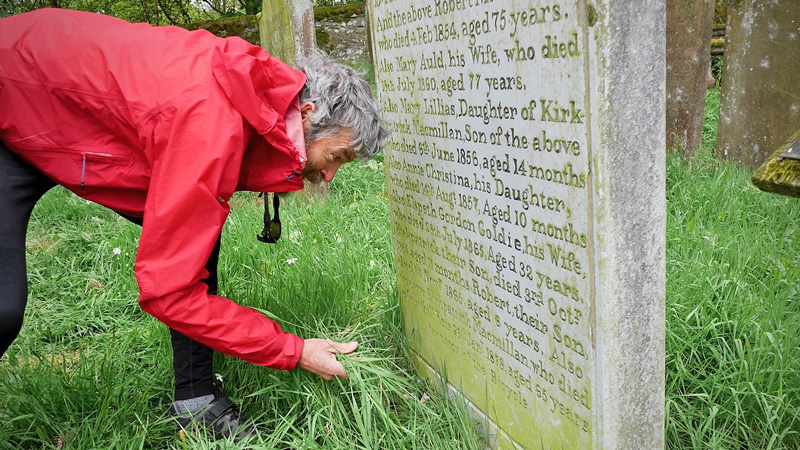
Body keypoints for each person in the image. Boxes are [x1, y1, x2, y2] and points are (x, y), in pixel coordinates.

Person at [0, 8, 390, 439]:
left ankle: (196, 402)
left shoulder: (260, 91)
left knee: (197, 243)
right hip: (13, 91)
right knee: (3, 306)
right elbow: (168, 291)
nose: (330, 176)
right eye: (336, 157)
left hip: (66, 112)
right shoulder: (210, 125)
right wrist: (292, 350)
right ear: (309, 113)